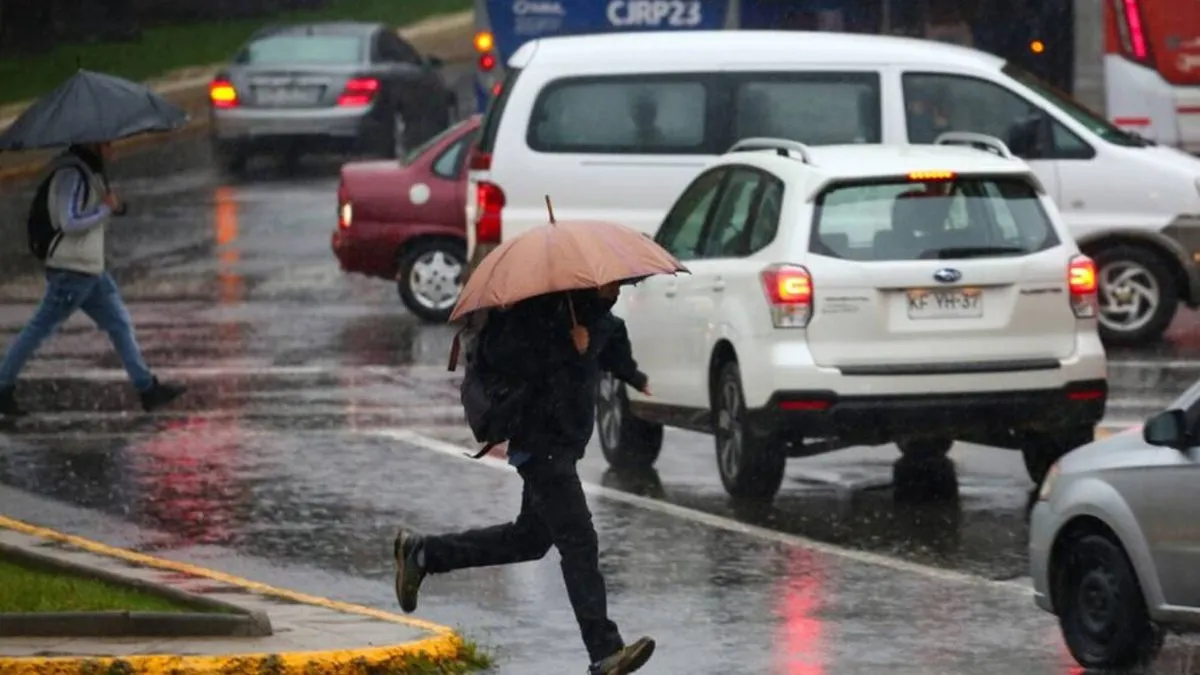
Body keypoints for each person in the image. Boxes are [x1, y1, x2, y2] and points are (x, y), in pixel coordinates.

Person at [393, 283, 656, 675]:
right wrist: (568, 347)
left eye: (620, 283)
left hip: (564, 447)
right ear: (589, 282)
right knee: (579, 541)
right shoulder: (539, 316)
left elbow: (613, 345)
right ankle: (604, 652)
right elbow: (509, 358)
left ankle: (424, 554)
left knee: (529, 540)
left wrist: (635, 377)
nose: (616, 290)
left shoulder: (600, 320)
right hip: (539, 443)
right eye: (611, 285)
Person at [0, 142, 186, 418]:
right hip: (72, 270)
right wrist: (105, 211)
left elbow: (101, 207)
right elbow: (69, 221)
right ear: (94, 142)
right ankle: (2, 386)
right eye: (107, 142)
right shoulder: (71, 174)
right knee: (39, 329)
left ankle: (147, 389)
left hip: (90, 270)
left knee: (119, 323)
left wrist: (115, 207)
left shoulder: (89, 172)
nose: (113, 147)